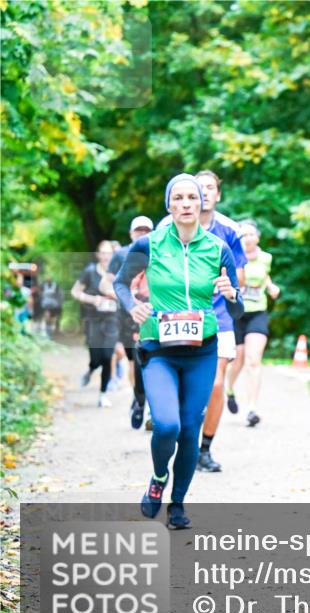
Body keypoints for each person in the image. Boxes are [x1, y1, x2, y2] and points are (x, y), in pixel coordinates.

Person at [114, 174, 243, 529]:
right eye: (179, 197)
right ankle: (158, 479)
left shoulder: (218, 248)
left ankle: (178, 504)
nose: (187, 203)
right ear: (169, 204)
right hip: (160, 350)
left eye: (193, 197)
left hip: (202, 350)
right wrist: (132, 306)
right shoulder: (150, 245)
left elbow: (237, 310)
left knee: (189, 429)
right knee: (167, 424)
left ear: (203, 203)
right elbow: (121, 283)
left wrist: (231, 295)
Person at [159, 170, 246, 472]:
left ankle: (204, 449)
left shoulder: (229, 231)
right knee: (183, 385)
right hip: (176, 316)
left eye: (209, 189)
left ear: (216, 195)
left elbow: (240, 277)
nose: (204, 194)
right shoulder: (165, 228)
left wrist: (224, 285)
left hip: (218, 317)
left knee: (217, 384)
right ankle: (179, 436)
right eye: (199, 188)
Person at [226, 220, 280, 426]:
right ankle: (229, 390)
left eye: (251, 234)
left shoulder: (266, 257)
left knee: (253, 360)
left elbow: (264, 276)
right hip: (237, 313)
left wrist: (271, 287)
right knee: (237, 360)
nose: (247, 238)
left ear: (257, 237)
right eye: (243, 234)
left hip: (258, 312)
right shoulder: (230, 255)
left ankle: (251, 409)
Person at [107, 216, 154, 428]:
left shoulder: (160, 250)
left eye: (147, 230)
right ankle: (138, 397)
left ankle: (151, 406)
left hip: (152, 312)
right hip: (127, 314)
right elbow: (108, 283)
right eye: (138, 230)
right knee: (134, 361)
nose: (142, 234)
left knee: (152, 358)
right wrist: (126, 297)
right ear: (131, 233)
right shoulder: (120, 255)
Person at [71, 241, 120, 407]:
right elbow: (75, 291)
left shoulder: (118, 272)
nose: (106, 256)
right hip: (93, 319)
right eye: (103, 253)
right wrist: (93, 299)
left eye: (109, 253)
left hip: (112, 319)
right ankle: (91, 369)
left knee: (107, 356)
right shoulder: (90, 272)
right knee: (96, 357)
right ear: (98, 255)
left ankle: (102, 394)